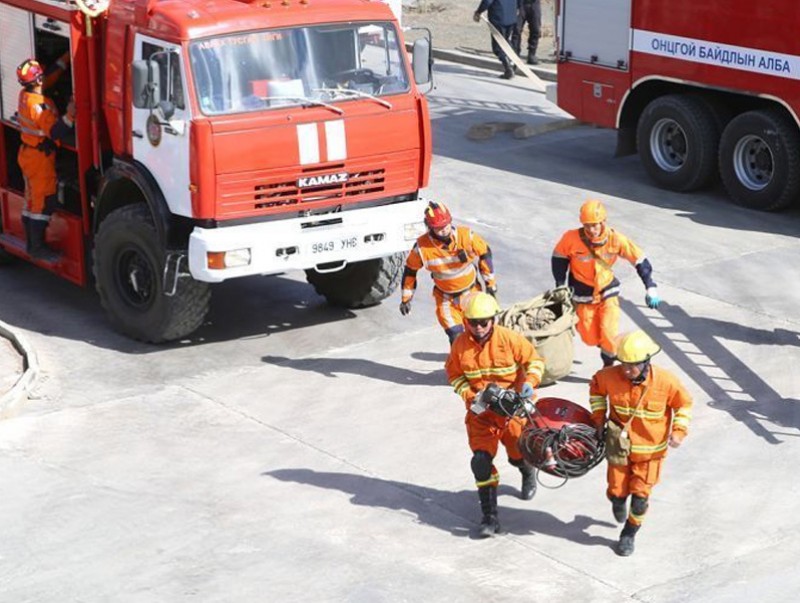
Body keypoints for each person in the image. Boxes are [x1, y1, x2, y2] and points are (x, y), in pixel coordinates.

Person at [445, 292, 546, 537]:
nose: (478, 327)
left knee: (517, 455)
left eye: (484, 322)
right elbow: (454, 375)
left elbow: (535, 361)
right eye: (473, 322)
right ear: (466, 321)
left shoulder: (510, 340)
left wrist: (530, 382)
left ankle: (526, 470)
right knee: (480, 462)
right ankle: (490, 516)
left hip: (512, 414)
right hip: (481, 414)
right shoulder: (460, 345)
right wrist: (469, 395)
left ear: (493, 320)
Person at [589, 330, 692, 556]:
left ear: (646, 362)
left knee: (640, 500)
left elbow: (683, 405)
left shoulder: (666, 382)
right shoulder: (608, 376)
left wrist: (679, 431)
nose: (626, 370)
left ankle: (629, 534)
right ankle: (617, 501)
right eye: (623, 364)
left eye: (632, 365)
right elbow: (596, 391)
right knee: (616, 491)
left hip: (649, 454)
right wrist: (598, 419)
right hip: (619, 448)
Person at [552, 199, 661, 368]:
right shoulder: (570, 238)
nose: (591, 230)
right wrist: (560, 285)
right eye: (587, 225)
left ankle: (608, 365)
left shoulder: (615, 239)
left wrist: (650, 286)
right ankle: (606, 346)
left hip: (607, 291)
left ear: (603, 222)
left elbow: (639, 259)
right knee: (589, 337)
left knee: (608, 332)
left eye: (595, 225)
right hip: (583, 295)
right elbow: (559, 258)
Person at [400, 201, 497, 345]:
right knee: (455, 335)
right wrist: (406, 299)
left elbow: (485, 253)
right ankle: (460, 365)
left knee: (481, 330)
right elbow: (410, 271)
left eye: (446, 225)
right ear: (429, 227)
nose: (444, 230)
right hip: (446, 299)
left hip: (472, 293)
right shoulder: (422, 248)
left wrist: (491, 286)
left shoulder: (466, 236)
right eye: (438, 228)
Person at [16, 56, 75, 262]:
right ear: (37, 80)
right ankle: (37, 247)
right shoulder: (38, 107)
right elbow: (56, 131)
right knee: (43, 203)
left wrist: (63, 61)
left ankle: (31, 244)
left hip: (29, 154)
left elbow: (48, 79)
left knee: (31, 200)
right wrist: (70, 114)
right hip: (39, 160)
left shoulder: (26, 94)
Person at [473, 0, 520, 79]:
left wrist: (478, 12)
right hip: (511, 17)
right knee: (506, 42)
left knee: (498, 46)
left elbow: (487, 1)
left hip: (499, 18)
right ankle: (513, 62)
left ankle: (508, 68)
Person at [512, 0, 542, 65]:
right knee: (517, 29)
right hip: (520, 3)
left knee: (536, 29)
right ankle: (515, 53)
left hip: (534, 3)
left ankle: (532, 54)